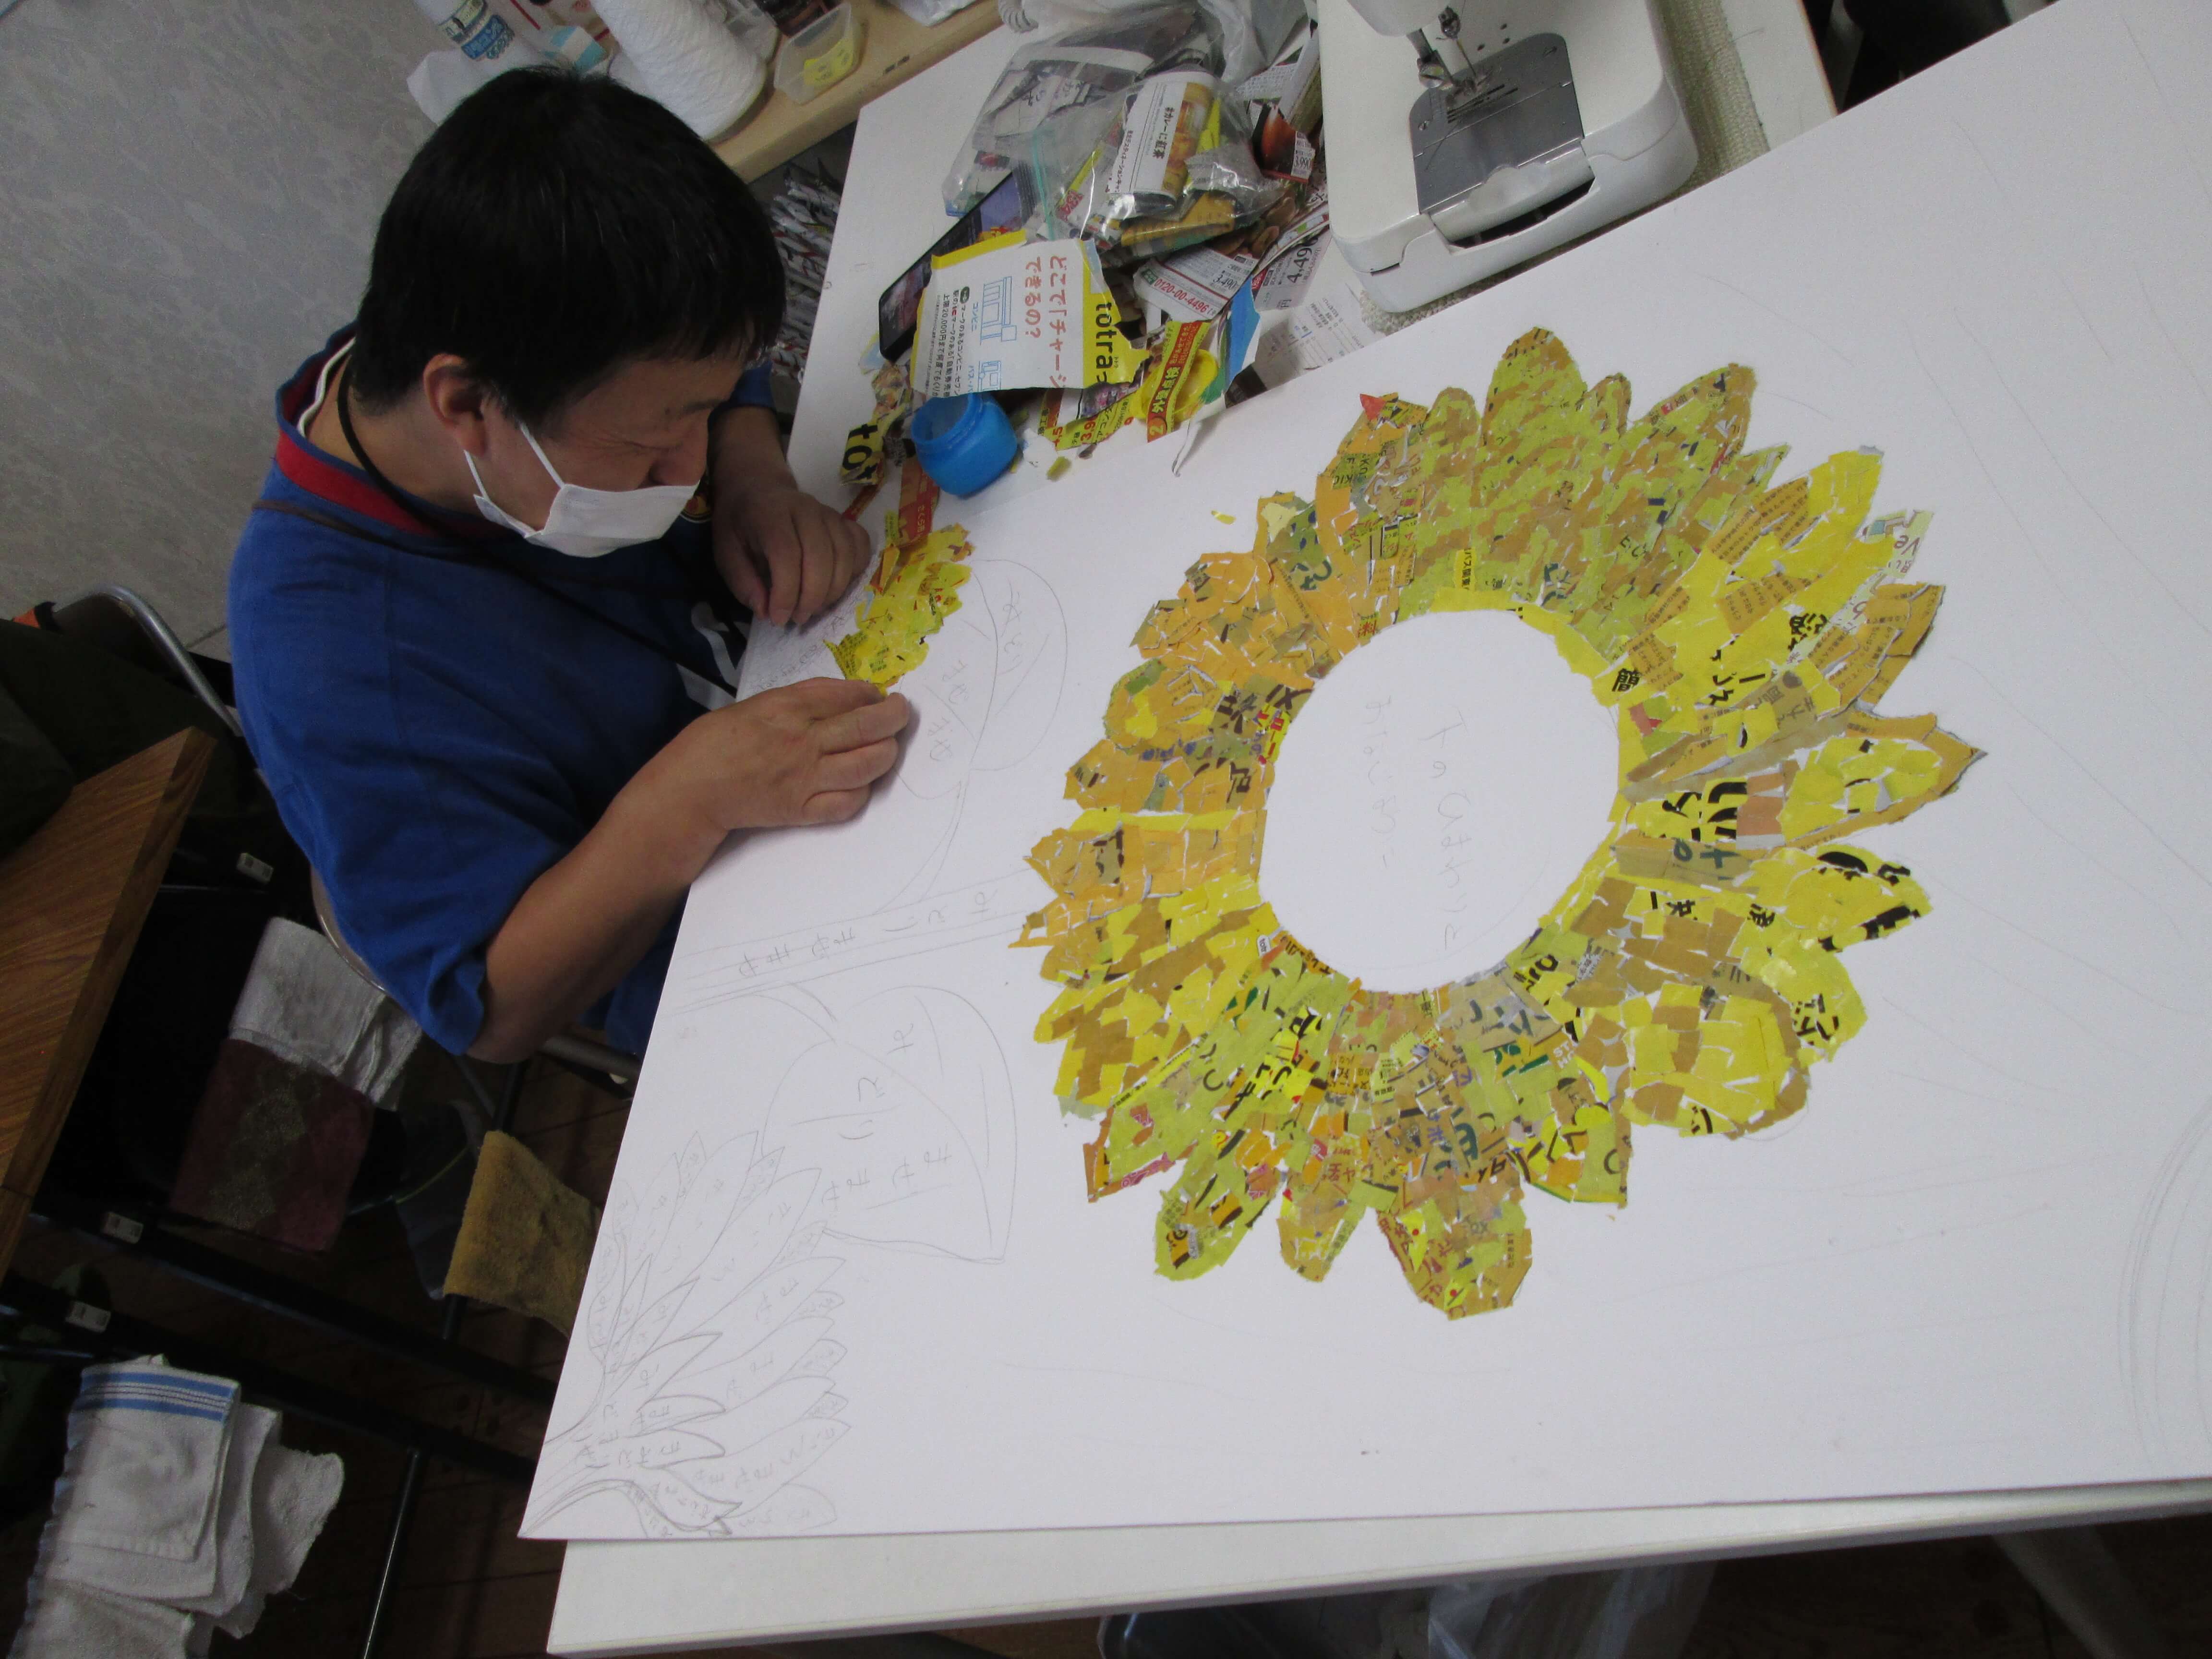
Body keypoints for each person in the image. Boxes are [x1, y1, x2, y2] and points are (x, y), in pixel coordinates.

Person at [228, 69, 908, 1065]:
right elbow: (495, 1011)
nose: (686, 472)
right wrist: (681, 806)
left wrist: (752, 472)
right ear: (466, 407)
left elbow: (700, 365)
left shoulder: (483, 339)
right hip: (739, 944)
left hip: (785, 685)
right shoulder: (333, 671)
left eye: (695, 425)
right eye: (652, 446)